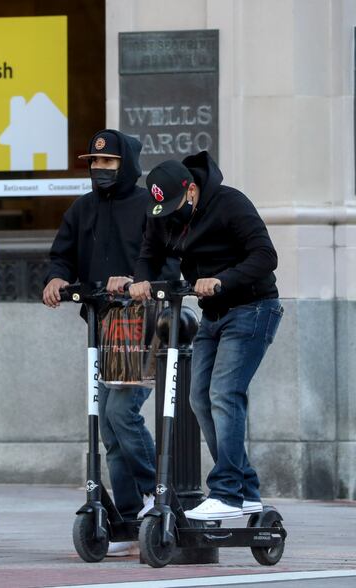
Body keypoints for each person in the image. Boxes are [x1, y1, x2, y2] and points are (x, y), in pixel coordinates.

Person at [129, 153, 282, 521]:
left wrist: (223, 279)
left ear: (192, 191)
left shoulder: (229, 203)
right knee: (199, 397)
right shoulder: (163, 216)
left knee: (224, 393)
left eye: (173, 206)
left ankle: (227, 491)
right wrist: (141, 281)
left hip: (253, 307)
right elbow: (149, 254)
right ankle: (245, 490)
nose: (167, 215)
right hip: (213, 315)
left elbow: (266, 255)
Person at [43, 129, 174, 557]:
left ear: (127, 166)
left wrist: (137, 280)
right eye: (94, 163)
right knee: (110, 428)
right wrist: (56, 278)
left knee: (120, 410)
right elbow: (61, 254)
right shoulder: (82, 208)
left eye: (108, 163)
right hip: (101, 322)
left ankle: (160, 492)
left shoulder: (149, 207)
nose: (99, 170)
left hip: (143, 319)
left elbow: (167, 260)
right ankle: (133, 513)